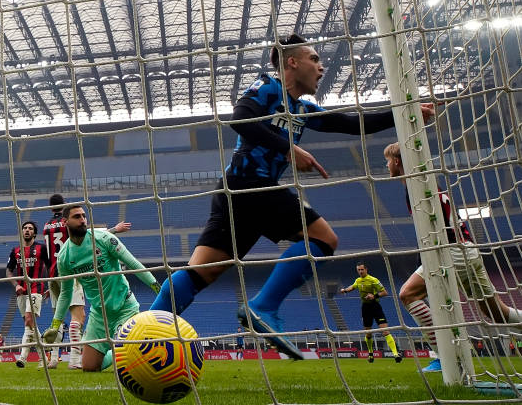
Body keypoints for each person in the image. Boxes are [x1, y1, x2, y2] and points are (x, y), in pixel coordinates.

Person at [150, 33, 436, 360]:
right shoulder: (267, 88)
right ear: (292, 62)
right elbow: (240, 119)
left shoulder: (302, 109)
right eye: (314, 59)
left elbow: (352, 122)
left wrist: (405, 113)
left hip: (237, 192)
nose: (321, 67)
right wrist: (288, 148)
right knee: (324, 239)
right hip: (249, 184)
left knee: (202, 272)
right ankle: (263, 306)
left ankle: (140, 333)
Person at [384, 141, 522, 372]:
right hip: (466, 248)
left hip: (451, 251)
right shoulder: (425, 181)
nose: (386, 165)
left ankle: (447, 356)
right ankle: (452, 353)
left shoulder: (415, 185)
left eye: (388, 161)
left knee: (408, 294)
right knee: (497, 312)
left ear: (397, 161)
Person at [42, 205, 161, 372]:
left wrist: (158, 288)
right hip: (99, 315)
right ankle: (120, 349)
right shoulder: (64, 256)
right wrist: (55, 326)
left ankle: (124, 348)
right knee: (89, 367)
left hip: (124, 308)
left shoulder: (103, 238)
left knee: (126, 359)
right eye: (77, 217)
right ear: (65, 222)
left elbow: (134, 264)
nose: (82, 220)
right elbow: (66, 294)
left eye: (84, 216)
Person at [6, 220, 50, 369]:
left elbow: (51, 267)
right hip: (21, 291)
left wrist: (51, 286)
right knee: (31, 325)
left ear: (34, 233)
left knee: (29, 320)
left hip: (36, 288)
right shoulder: (15, 250)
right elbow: (8, 271)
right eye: (25, 228)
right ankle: (44, 358)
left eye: (30, 228)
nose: (27, 230)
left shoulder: (41, 248)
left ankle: (22, 358)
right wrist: (16, 285)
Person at [340, 262, 402, 363]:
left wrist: (374, 296)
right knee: (368, 334)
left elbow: (385, 292)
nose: (360, 271)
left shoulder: (373, 280)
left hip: (375, 306)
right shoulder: (358, 280)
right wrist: (345, 290)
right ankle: (371, 354)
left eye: (362, 269)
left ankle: (395, 354)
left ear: (366, 269)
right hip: (365, 308)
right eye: (359, 270)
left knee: (385, 331)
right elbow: (353, 286)